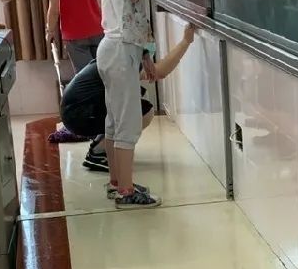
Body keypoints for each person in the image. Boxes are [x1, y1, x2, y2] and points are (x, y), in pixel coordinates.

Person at [96, 0, 202, 209]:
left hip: (121, 49)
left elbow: (132, 13)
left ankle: (117, 183)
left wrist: (144, 52)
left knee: (115, 123)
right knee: (127, 125)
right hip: (119, 50)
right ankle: (126, 192)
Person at [60, 27, 198, 178]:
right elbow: (159, 72)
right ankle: (98, 152)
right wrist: (185, 41)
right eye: (148, 38)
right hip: (78, 114)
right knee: (142, 112)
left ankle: (102, 146)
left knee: (137, 99)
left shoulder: (116, 51)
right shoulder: (125, 57)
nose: (151, 42)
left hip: (77, 111)